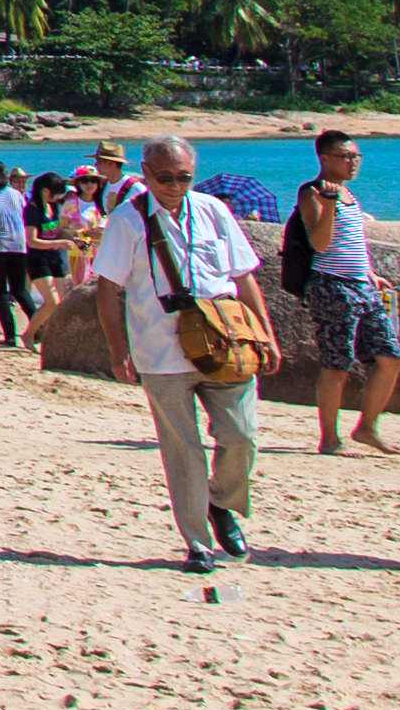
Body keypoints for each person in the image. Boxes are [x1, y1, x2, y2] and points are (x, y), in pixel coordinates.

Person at [76, 135, 271, 571]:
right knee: (182, 449)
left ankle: (220, 502)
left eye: (184, 177)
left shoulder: (213, 211)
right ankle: (198, 543)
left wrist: (265, 334)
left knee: (241, 437)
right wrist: (118, 350)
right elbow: (108, 289)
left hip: (223, 342)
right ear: (146, 174)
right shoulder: (127, 220)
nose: (175, 186)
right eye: (165, 178)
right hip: (160, 349)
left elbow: (244, 276)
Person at [281, 128, 400, 459]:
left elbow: (351, 242)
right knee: (337, 364)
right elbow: (320, 243)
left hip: (361, 285)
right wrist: (329, 206)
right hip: (331, 285)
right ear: (324, 159)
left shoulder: (349, 194)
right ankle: (329, 438)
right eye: (345, 157)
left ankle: (367, 427)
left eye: (355, 156)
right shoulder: (312, 192)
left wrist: (369, 273)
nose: (353, 163)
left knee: (390, 357)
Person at [0, 168, 46, 341]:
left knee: (0, 291)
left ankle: (9, 336)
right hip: (19, 245)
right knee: (20, 290)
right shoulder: (17, 194)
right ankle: (38, 329)